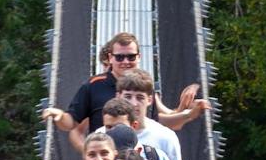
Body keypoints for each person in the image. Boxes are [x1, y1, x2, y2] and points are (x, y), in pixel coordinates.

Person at [42, 33, 211, 152]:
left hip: (142, 157)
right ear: (110, 58)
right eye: (119, 57)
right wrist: (59, 116)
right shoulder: (93, 86)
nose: (125, 62)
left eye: (130, 57)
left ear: (139, 57)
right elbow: (71, 123)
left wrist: (189, 113)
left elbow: (160, 122)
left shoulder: (144, 85)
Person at [115, 67, 185, 160]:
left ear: (150, 100)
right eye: (128, 97)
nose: (134, 103)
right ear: (118, 96)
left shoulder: (166, 137)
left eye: (140, 97)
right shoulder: (103, 135)